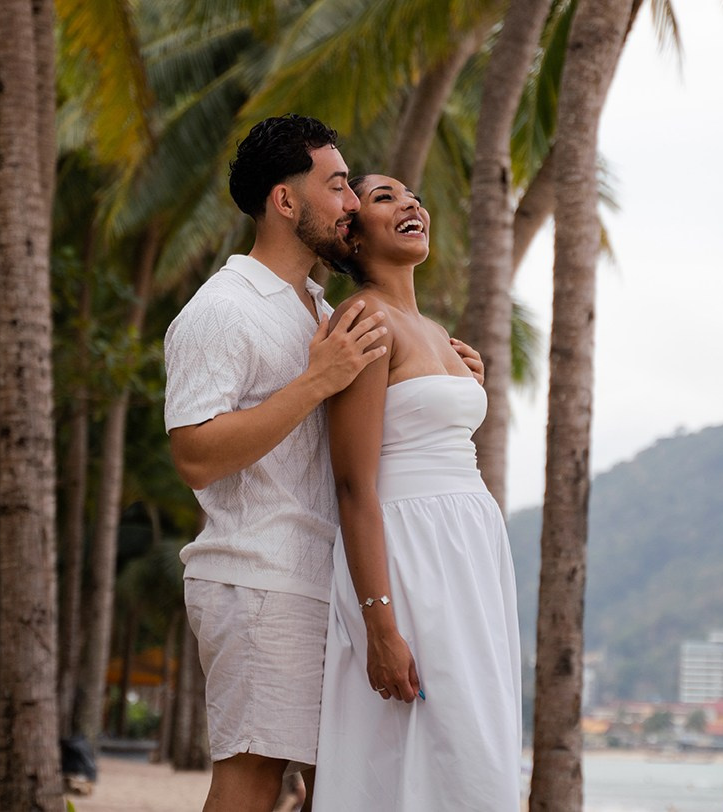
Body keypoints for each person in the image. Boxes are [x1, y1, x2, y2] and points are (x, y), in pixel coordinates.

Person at [163, 115, 389, 812]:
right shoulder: (221, 309)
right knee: (254, 777)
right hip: (256, 578)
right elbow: (195, 454)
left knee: (337, 783)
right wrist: (316, 381)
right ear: (285, 202)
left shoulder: (318, 305)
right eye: (338, 184)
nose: (351, 202)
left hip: (323, 581)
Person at [311, 175, 523, 811]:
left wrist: (465, 381)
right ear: (353, 234)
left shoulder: (430, 328)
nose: (411, 205)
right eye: (385, 198)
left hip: (469, 558)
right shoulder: (366, 319)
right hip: (409, 557)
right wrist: (380, 624)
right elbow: (353, 483)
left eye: (415, 197)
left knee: (470, 747)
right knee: (423, 747)